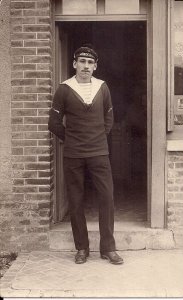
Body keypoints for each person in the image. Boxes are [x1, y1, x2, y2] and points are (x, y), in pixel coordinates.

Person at [48, 44, 123, 265]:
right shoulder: (64, 88)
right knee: (76, 200)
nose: (86, 66)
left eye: (90, 63)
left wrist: (98, 137)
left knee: (106, 197)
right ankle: (82, 247)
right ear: (74, 64)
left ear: (95, 66)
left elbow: (109, 118)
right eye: (82, 62)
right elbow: (53, 123)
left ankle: (108, 248)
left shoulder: (102, 87)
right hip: (73, 154)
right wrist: (71, 139)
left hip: (99, 152)